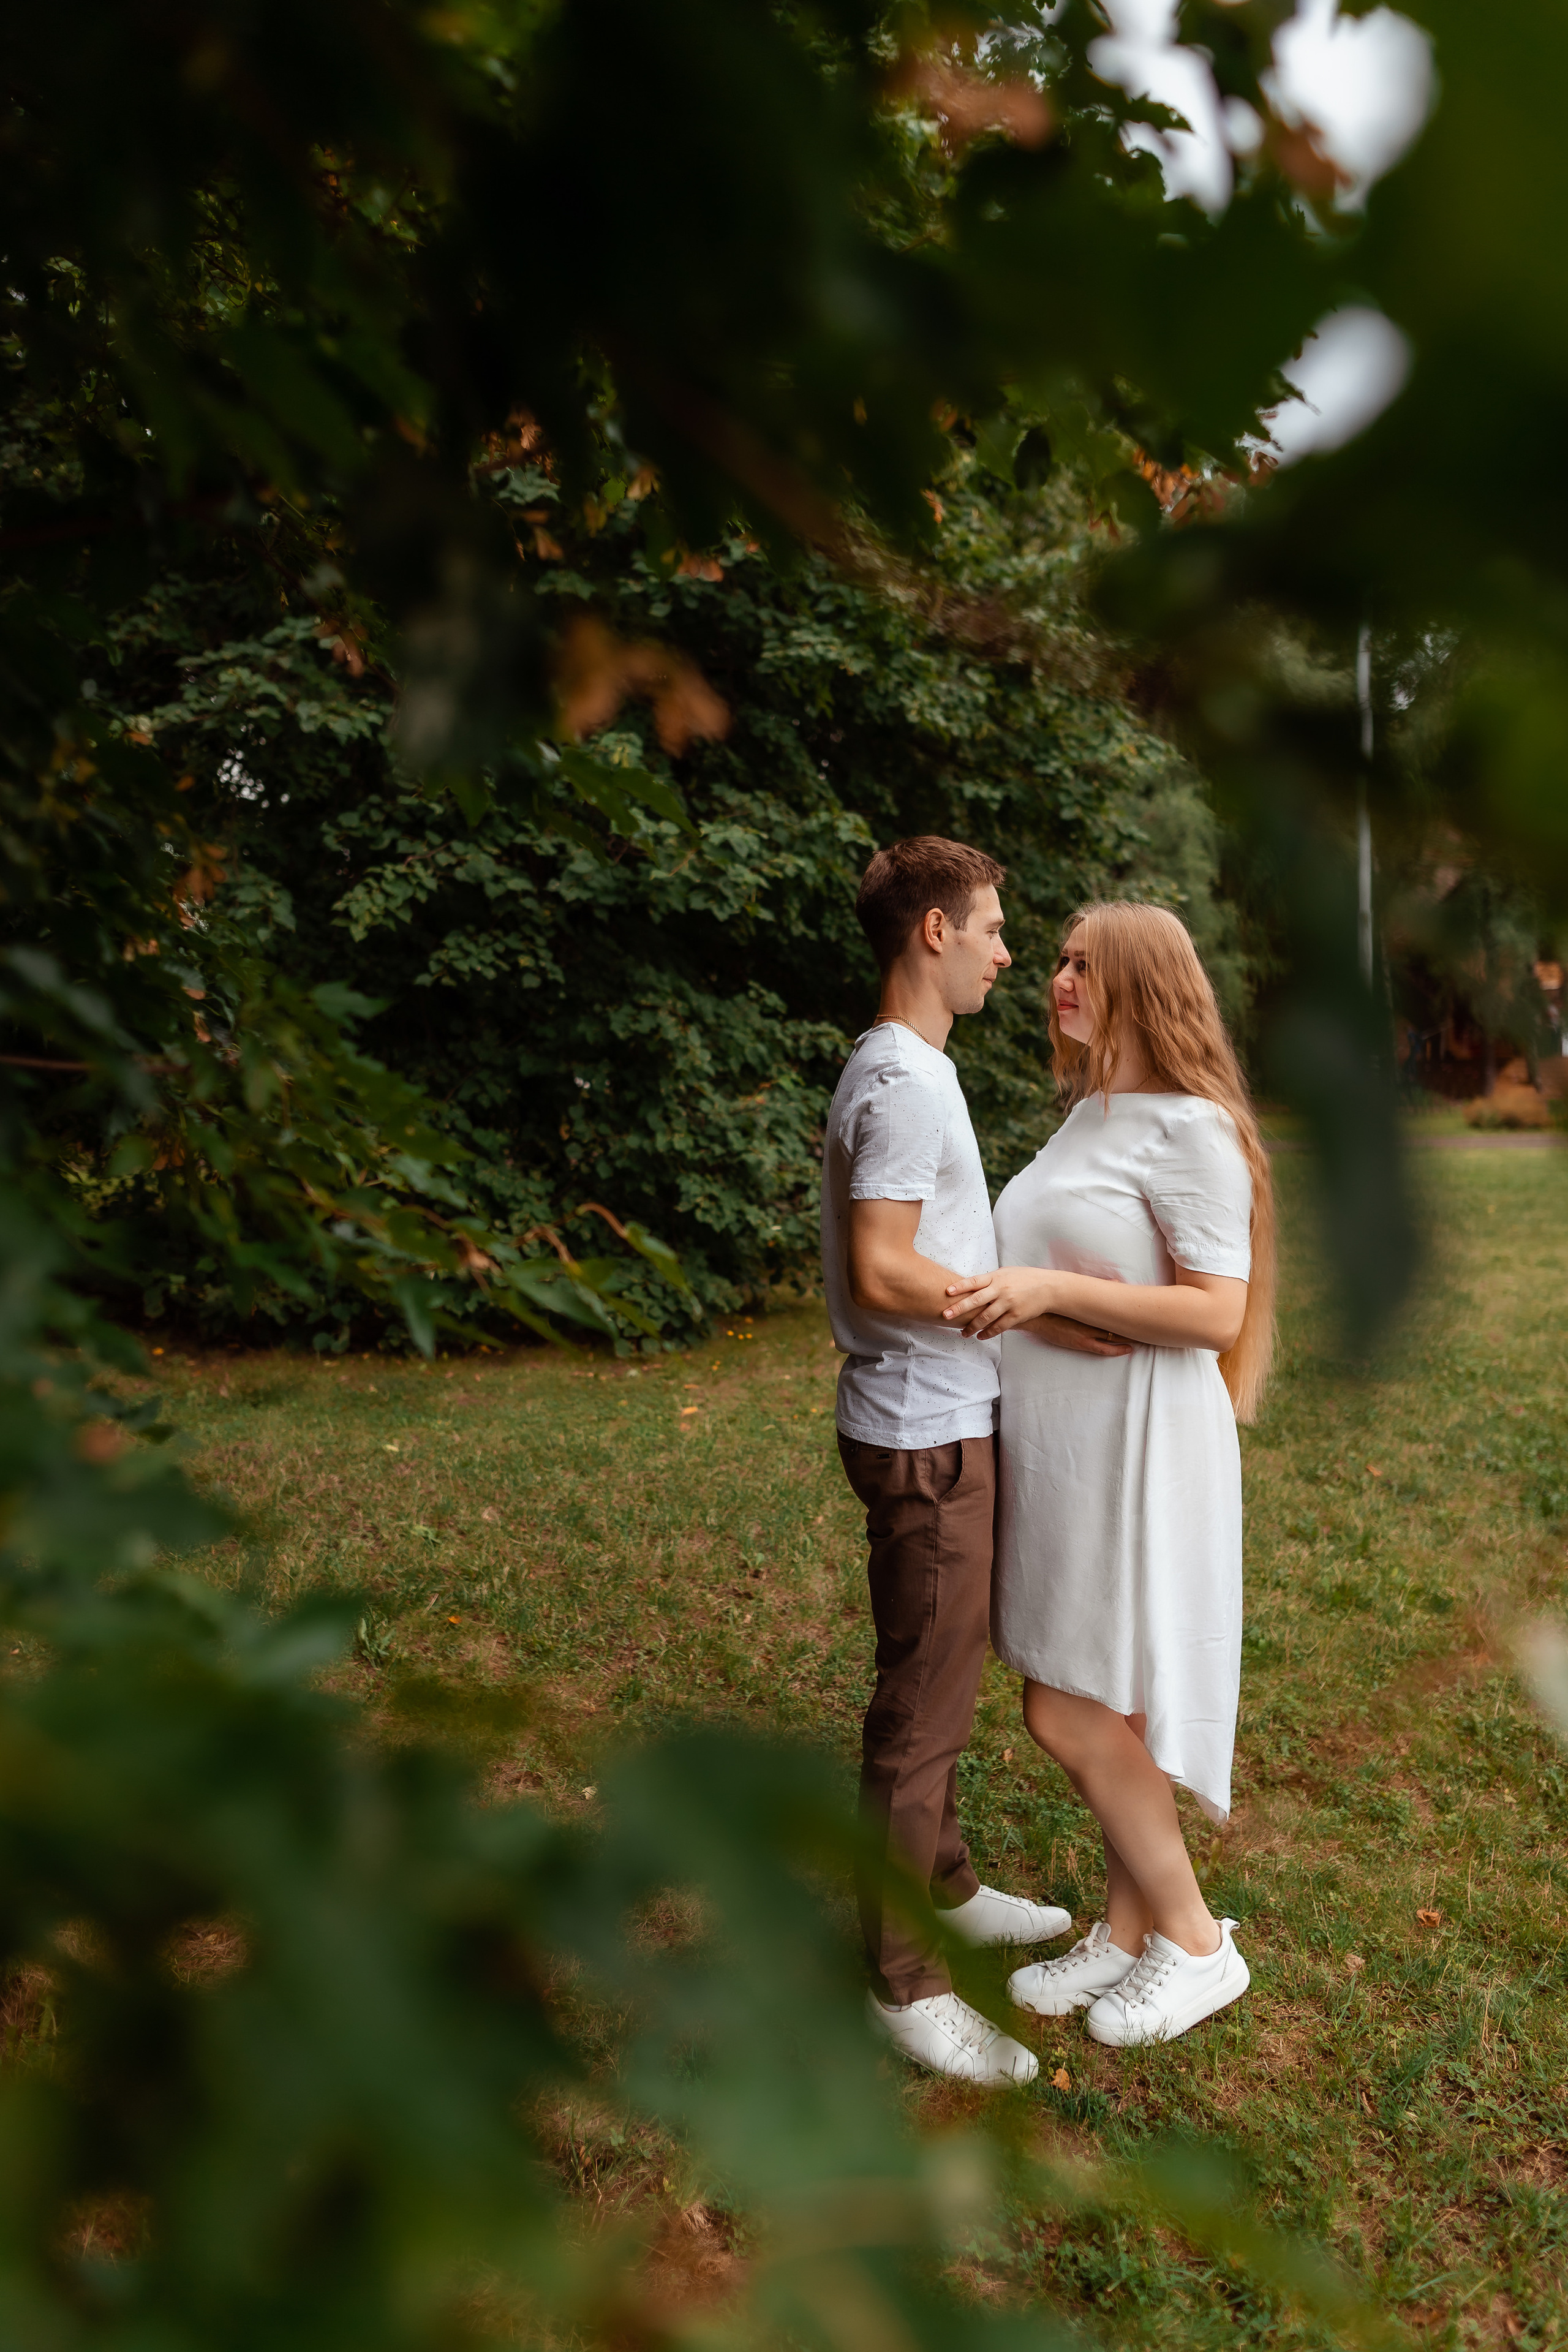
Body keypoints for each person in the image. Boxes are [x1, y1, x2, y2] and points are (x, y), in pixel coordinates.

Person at [821, 839, 1131, 2087]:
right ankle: (899, 1985)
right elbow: (882, 1265)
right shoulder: (900, 1080)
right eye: (994, 929)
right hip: (922, 1434)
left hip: (940, 1418)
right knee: (922, 1712)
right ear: (931, 935)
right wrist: (1022, 1300)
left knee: (933, 1675)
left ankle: (941, 1886)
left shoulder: (904, 1067)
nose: (1010, 953)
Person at [943, 900, 1276, 2048]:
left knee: (1065, 1705)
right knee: (1111, 1701)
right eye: (1061, 960)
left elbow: (1216, 1308)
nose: (1058, 977)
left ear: (1145, 982)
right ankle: (1127, 1935)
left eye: (1088, 964)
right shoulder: (1091, 1112)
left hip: (1140, 1444)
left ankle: (1195, 1941)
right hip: (1068, 1439)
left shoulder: (1189, 1127)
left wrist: (1054, 1297)